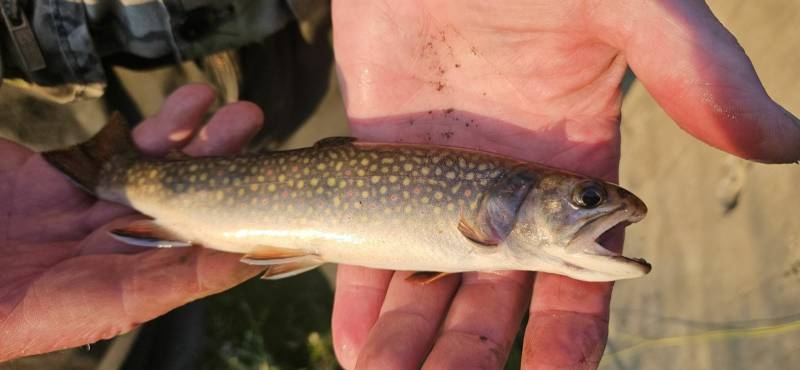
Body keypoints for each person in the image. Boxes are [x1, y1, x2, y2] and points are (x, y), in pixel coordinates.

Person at [1, 1, 798, 369]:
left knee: (247, 115)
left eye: (590, 202)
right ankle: (110, 173)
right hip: (58, 79)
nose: (605, 209)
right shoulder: (476, 224)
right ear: (501, 208)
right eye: (588, 199)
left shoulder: (481, 226)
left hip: (239, 33)